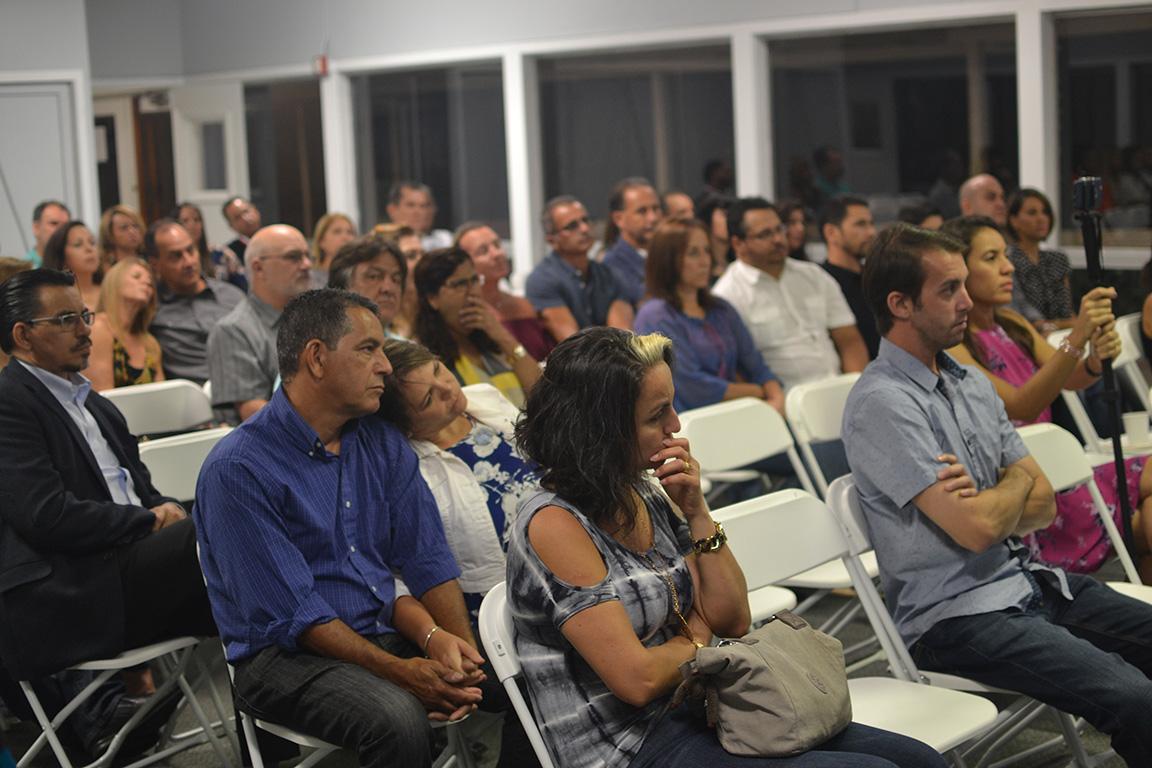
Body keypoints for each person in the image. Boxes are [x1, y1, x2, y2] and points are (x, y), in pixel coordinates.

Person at [507, 326, 946, 768]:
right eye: (657, 415)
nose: (675, 425)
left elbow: (732, 618)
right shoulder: (554, 524)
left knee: (918, 760)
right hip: (630, 745)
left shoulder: (642, 491)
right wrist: (700, 639)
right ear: (600, 431)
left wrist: (697, 511)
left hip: (705, 703)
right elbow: (638, 681)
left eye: (671, 406)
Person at [843, 223, 1152, 767]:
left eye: (965, 283)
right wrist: (1014, 483)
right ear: (900, 304)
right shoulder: (883, 403)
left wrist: (999, 492)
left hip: (1026, 581)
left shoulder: (970, 382)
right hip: (954, 617)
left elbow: (1045, 504)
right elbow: (980, 527)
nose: (967, 301)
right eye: (949, 289)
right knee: (1135, 697)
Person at [195, 289, 490, 768]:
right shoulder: (239, 468)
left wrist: (462, 653)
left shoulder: (380, 441)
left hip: (381, 627)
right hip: (283, 656)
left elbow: (426, 557)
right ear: (316, 358)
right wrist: (402, 673)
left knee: (516, 667)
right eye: (368, 349)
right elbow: (297, 615)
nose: (386, 367)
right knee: (396, 719)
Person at [0, 268, 214, 681]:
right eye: (66, 319)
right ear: (23, 336)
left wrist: (164, 510)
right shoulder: (9, 404)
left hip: (135, 567)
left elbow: (146, 492)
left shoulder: (95, 405)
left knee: (238, 539)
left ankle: (280, 697)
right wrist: (148, 520)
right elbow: (46, 516)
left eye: (85, 316)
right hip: (76, 594)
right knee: (224, 535)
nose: (84, 330)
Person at [939, 215, 1152, 579]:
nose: (1008, 267)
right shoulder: (954, 345)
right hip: (1031, 491)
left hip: (1063, 472)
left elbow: (1071, 378)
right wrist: (1078, 335)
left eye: (1005, 256)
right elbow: (1023, 405)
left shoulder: (1012, 324)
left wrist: (1095, 362)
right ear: (959, 271)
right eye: (991, 258)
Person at [376, 339, 538, 620]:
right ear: (406, 427)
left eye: (438, 370)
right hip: (504, 606)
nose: (448, 389)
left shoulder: (484, 396)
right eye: (429, 399)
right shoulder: (408, 473)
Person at [713, 197, 867, 389]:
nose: (778, 239)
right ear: (738, 243)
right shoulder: (727, 295)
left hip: (839, 388)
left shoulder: (813, 275)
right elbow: (736, 369)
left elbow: (849, 341)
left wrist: (857, 390)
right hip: (786, 400)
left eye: (779, 229)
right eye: (765, 234)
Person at [634, 218, 783, 413]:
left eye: (707, 251)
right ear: (668, 260)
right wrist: (757, 391)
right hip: (691, 421)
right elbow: (692, 386)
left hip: (739, 411)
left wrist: (776, 398)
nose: (705, 261)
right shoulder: (655, 316)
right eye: (693, 253)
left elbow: (756, 364)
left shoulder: (721, 309)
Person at [207, 224, 312, 421]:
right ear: (258, 268)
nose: (306, 264)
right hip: (278, 438)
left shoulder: (316, 319)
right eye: (294, 257)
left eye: (307, 256)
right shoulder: (233, 331)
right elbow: (256, 415)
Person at [414, 248, 540, 407]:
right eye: (459, 284)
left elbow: (541, 392)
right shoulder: (426, 361)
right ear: (432, 298)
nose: (472, 292)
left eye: (474, 280)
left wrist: (503, 337)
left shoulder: (494, 343)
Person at [146, 220, 245, 385]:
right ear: (155, 264)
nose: (189, 262)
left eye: (191, 250)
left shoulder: (232, 296)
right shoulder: (150, 308)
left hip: (242, 387)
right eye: (176, 256)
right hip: (190, 395)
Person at [525, 196, 634, 342]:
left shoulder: (610, 275)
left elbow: (623, 339)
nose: (584, 229)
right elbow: (573, 344)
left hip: (611, 354)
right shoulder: (541, 280)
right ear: (552, 240)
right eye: (572, 226)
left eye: (586, 220)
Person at [456, 221, 554, 359]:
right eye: (483, 251)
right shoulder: (469, 313)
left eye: (497, 245)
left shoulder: (525, 304)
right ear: (464, 265)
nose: (497, 254)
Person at [83, 257, 165, 390]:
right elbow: (102, 394)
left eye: (150, 282)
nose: (147, 282)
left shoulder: (150, 343)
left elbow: (163, 393)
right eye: (136, 276)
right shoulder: (98, 329)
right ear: (115, 283)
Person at [1004, 188, 1075, 332]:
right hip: (1025, 335)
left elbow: (1068, 312)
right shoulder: (1007, 260)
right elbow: (1019, 316)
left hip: (1062, 334)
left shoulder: (1057, 259)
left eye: (1045, 212)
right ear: (1014, 220)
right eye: (1032, 213)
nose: (1041, 218)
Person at [820, 196, 880, 358]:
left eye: (871, 224)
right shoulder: (820, 283)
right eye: (860, 224)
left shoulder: (879, 278)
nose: (871, 232)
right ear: (831, 232)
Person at [328, 235, 407, 337]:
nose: (388, 288)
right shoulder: (321, 344)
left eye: (396, 279)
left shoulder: (406, 346)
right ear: (343, 287)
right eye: (374, 276)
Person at [602, 178, 662, 308]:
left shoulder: (668, 255)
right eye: (642, 211)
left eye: (656, 209)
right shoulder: (611, 267)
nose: (653, 218)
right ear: (619, 219)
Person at [170, 202, 246, 291]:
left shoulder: (221, 253)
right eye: (185, 221)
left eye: (197, 220)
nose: (192, 225)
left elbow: (243, 287)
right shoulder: (172, 259)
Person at [374, 222, 424, 338]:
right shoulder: (377, 321)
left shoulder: (434, 314)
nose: (421, 262)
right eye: (411, 256)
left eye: (423, 254)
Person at [42, 220, 103, 311]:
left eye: (92, 242)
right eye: (78, 244)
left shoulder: (110, 290)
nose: (89, 249)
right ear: (61, 255)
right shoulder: (56, 299)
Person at [387, 181, 453, 251]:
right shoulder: (383, 246)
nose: (420, 212)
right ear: (392, 210)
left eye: (425, 206)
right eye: (411, 205)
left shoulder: (446, 241)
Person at [310, 212, 357, 287]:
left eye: (350, 232)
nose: (345, 237)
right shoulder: (309, 279)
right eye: (337, 232)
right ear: (321, 241)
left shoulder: (357, 278)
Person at [24, 200, 70, 267]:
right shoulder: (25, 269)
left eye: (65, 225)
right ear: (36, 228)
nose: (62, 230)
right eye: (54, 223)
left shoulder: (75, 267)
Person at [221, 196, 262, 265]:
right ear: (231, 226)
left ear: (256, 210)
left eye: (246, 212)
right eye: (237, 217)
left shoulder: (276, 239)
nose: (245, 218)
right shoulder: (230, 253)